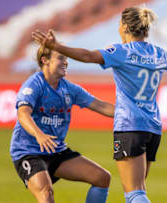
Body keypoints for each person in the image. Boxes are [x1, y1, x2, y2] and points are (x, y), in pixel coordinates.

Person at [32, 6, 167, 203]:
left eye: (119, 25)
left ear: (125, 27)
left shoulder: (122, 52)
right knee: (138, 190)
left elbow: (88, 56)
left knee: (135, 194)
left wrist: (58, 47)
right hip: (152, 127)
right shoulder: (159, 53)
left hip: (129, 126)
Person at [9, 45, 115, 203]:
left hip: (55, 150)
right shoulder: (34, 84)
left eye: (66, 58)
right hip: (28, 152)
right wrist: (40, 135)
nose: (66, 62)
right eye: (61, 58)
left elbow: (101, 106)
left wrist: (131, 114)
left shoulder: (69, 89)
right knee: (46, 193)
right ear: (45, 61)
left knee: (102, 178)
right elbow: (23, 113)